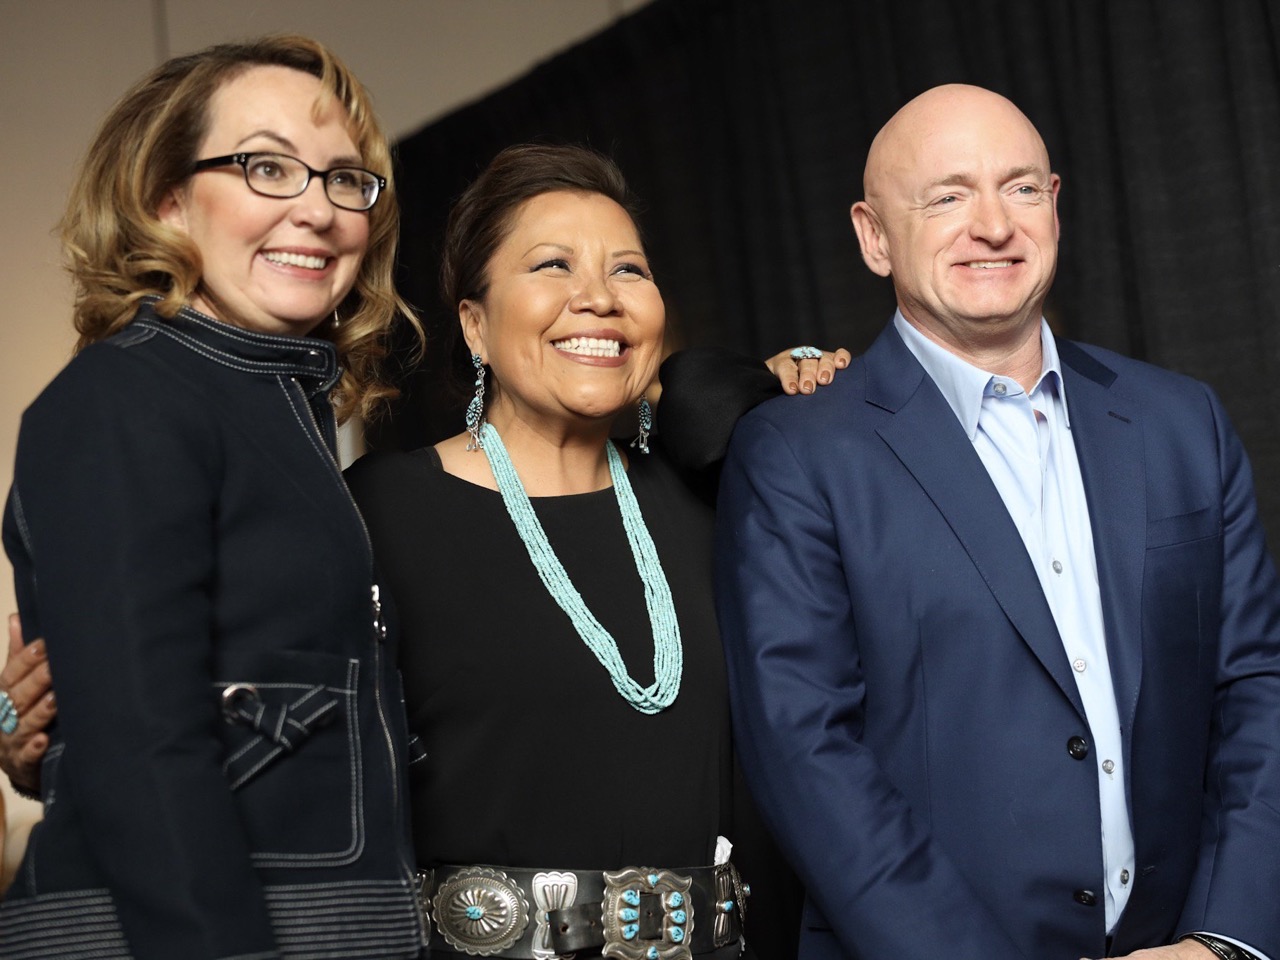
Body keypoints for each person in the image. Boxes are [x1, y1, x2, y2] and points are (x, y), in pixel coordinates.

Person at [714, 83, 1280, 960]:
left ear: (1054, 206)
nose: (992, 225)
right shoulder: (797, 455)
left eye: (1019, 188)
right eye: (946, 197)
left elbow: (1257, 689)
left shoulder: (1181, 423)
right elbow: (807, 756)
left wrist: (1223, 938)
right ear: (873, 236)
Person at [342, 143, 846, 960]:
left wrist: (789, 390)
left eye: (628, 272)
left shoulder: (713, 498)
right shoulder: (383, 511)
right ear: (475, 323)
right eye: (552, 266)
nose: (598, 300)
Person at [0, 37, 426, 959]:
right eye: (265, 166)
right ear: (166, 200)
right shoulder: (123, 397)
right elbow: (140, 747)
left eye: (345, 179)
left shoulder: (279, 414)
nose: (316, 210)